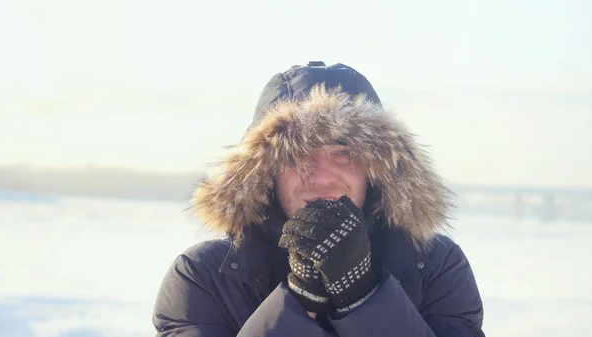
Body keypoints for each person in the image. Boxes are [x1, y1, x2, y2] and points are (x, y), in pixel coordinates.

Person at [152, 61, 485, 336]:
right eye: (299, 154)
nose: (323, 176)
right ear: (265, 172)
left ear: (376, 170)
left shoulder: (435, 266)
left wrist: (362, 296)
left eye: (343, 152)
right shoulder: (204, 276)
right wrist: (299, 300)